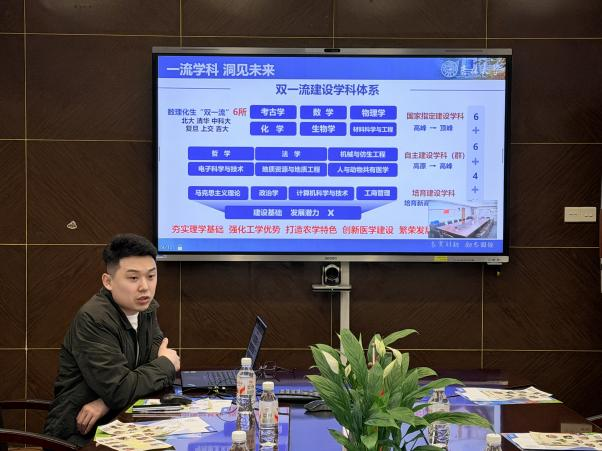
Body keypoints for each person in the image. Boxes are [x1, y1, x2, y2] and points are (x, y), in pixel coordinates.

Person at [44, 233, 180, 445]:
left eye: (151, 276)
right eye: (133, 278)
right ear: (108, 281)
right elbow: (136, 381)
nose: (145, 287)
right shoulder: (94, 319)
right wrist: (166, 364)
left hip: (121, 421)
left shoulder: (146, 309)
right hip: (80, 433)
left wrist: (105, 402)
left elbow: (149, 372)